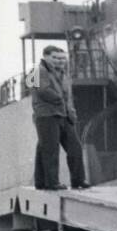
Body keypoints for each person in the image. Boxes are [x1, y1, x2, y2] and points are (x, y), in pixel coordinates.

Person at [31, 46, 89, 190]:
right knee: (50, 150)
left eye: (63, 58)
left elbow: (67, 95)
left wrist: (70, 111)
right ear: (45, 57)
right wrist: (60, 100)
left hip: (63, 115)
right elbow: (43, 91)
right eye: (55, 58)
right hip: (46, 115)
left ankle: (78, 180)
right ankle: (51, 183)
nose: (60, 61)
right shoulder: (36, 71)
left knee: (74, 147)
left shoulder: (63, 73)